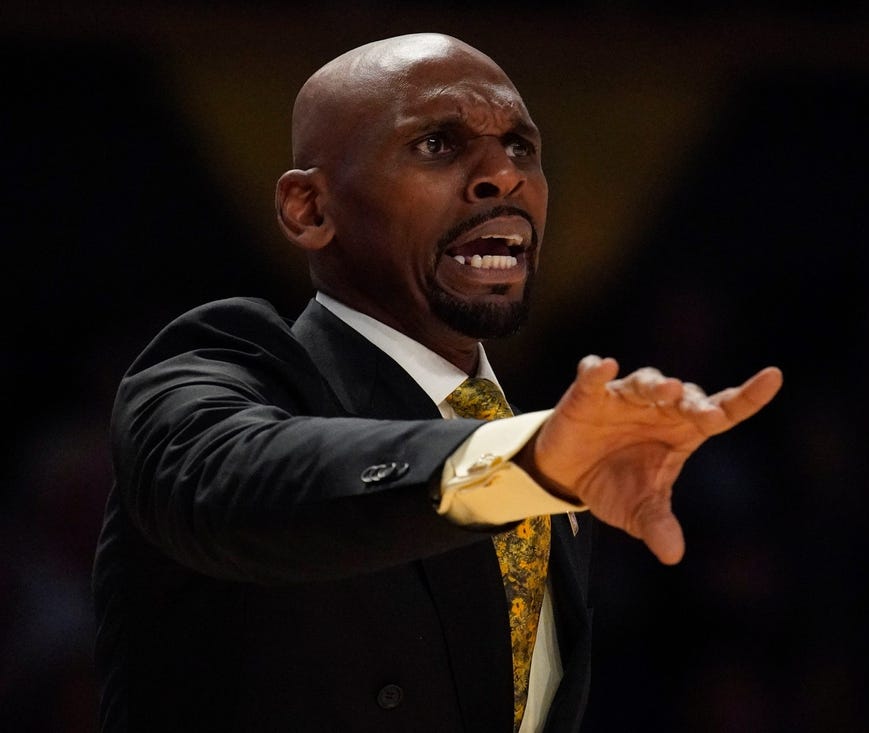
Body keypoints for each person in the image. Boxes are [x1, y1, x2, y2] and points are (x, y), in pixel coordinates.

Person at [91, 32, 783, 733]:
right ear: (310, 209)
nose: (504, 176)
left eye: (521, 147)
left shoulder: (541, 449)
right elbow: (232, 481)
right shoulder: (222, 370)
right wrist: (524, 463)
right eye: (437, 145)